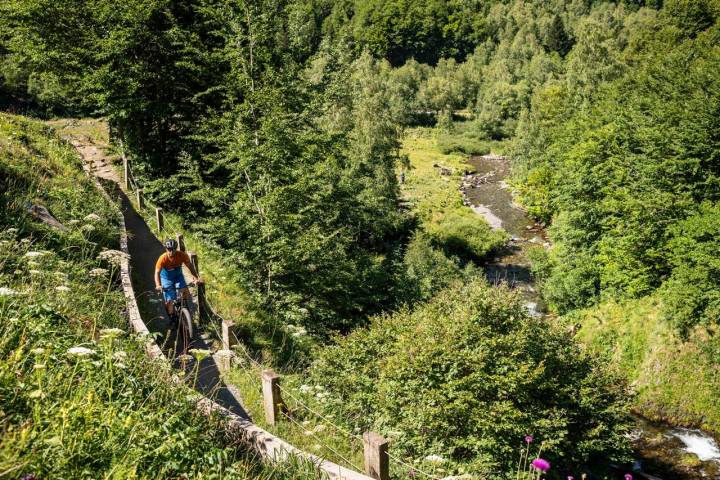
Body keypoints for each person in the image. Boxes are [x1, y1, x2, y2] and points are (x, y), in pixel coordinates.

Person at [154, 239, 202, 319]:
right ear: (166, 249)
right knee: (169, 301)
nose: (171, 252)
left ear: (176, 249)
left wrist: (196, 278)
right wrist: (158, 285)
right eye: (169, 249)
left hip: (178, 276)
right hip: (166, 278)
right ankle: (172, 317)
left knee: (184, 290)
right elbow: (157, 272)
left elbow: (190, 266)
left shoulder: (182, 255)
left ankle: (184, 306)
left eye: (173, 249)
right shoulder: (162, 258)